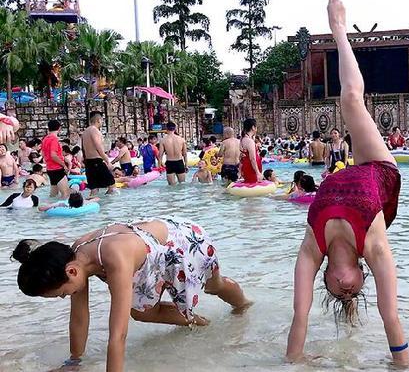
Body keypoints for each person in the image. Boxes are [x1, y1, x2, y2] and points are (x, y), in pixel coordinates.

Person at [286, 0, 409, 366]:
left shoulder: (312, 249)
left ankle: (337, 29)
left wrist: (293, 360)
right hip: (378, 170)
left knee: (348, 102)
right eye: (351, 293)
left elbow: (300, 316)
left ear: (324, 278)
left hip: (348, 173)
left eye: (336, 295)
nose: (343, 291)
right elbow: (390, 315)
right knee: (353, 100)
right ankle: (341, 29)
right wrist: (404, 363)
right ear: (361, 274)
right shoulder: (375, 249)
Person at [12, 217, 252, 371]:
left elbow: (118, 335)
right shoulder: (73, 258)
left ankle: (244, 306)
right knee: (141, 312)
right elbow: (79, 317)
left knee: (214, 285)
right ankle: (202, 323)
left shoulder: (113, 259)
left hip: (183, 242)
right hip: (152, 256)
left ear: (71, 272)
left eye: (60, 294)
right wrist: (74, 362)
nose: (65, 297)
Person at [81, 111, 116, 197]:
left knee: (94, 189)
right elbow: (98, 147)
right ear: (98, 120)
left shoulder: (85, 132)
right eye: (102, 120)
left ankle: (92, 206)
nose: (102, 122)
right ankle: (107, 206)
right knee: (112, 185)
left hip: (88, 162)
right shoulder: (95, 130)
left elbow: (83, 148)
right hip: (97, 161)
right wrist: (107, 161)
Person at [42, 119, 70, 199]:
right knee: (65, 193)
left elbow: (43, 154)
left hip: (50, 169)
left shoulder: (45, 139)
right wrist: (63, 164)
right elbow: (53, 155)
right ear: (59, 128)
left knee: (53, 194)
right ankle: (62, 210)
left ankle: (50, 207)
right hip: (57, 169)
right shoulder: (54, 139)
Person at [239, 119, 263, 184]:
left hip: (247, 167)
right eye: (256, 127)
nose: (257, 129)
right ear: (253, 127)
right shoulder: (249, 141)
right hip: (251, 169)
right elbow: (252, 159)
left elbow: (241, 157)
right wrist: (257, 172)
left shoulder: (243, 139)